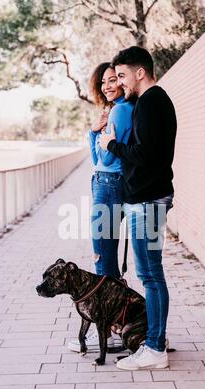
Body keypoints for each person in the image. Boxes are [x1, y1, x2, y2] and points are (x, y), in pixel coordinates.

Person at [100, 46, 177, 370]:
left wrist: (111, 145)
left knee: (150, 275)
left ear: (140, 72)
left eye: (122, 75)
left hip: (147, 200)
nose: (120, 83)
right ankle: (154, 343)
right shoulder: (151, 101)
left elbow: (144, 155)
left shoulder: (150, 102)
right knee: (150, 274)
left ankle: (155, 348)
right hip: (147, 199)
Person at [68, 62, 134, 353]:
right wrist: (96, 133)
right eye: (104, 82)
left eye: (113, 80)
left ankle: (106, 328)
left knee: (102, 257)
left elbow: (104, 159)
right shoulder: (122, 109)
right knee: (106, 254)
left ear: (123, 81)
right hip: (109, 184)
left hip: (108, 183)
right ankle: (117, 325)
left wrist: (94, 133)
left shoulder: (119, 111)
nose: (108, 86)